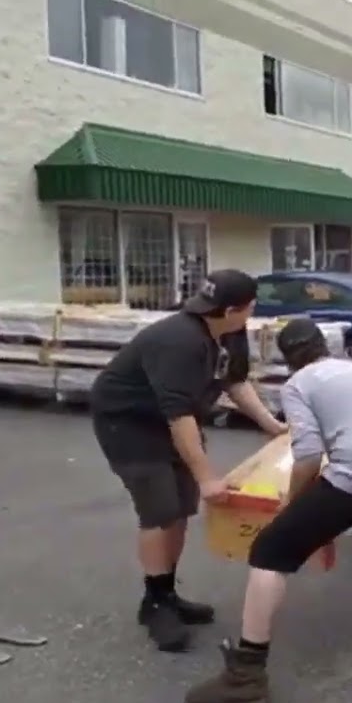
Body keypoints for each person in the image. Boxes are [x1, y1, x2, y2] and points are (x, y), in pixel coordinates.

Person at [183, 317, 352, 703]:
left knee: (269, 551)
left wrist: (291, 503)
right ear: (324, 345)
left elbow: (307, 455)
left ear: (288, 358)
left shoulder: (299, 385)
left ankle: (246, 678)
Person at [90, 269, 287, 652]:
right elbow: (178, 414)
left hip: (171, 420)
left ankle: (166, 592)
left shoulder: (229, 332)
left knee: (180, 507)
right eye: (250, 307)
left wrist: (271, 425)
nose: (251, 312)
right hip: (129, 424)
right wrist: (208, 478)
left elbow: (234, 381)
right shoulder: (179, 341)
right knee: (159, 511)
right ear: (232, 310)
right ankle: (154, 605)